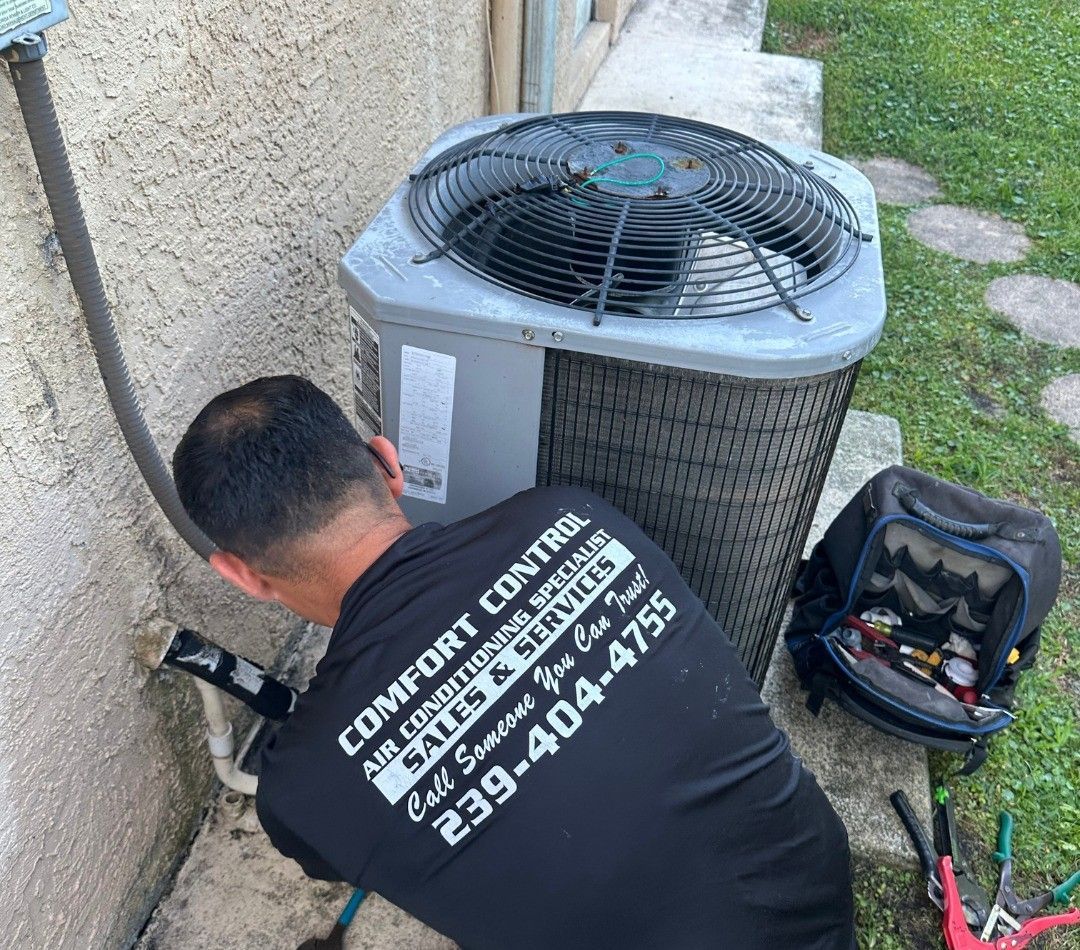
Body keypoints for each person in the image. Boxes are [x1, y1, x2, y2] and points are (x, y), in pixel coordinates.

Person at [173, 374, 856, 950]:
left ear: (242, 575)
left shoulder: (304, 791)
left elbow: (328, 853)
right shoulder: (573, 516)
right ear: (388, 464)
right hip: (813, 884)